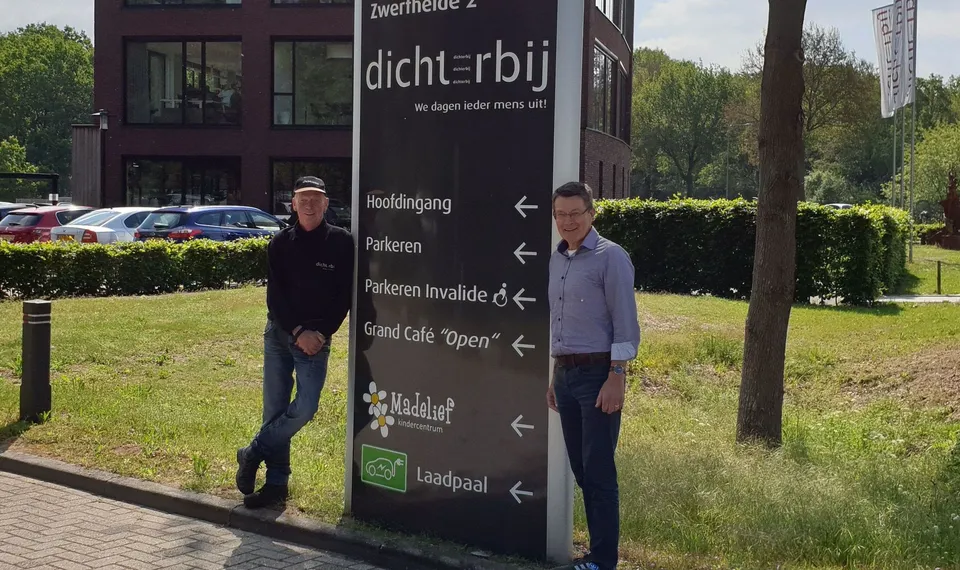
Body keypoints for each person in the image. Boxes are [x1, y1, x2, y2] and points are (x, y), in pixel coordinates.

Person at [236, 175, 355, 509]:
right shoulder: (280, 243)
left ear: (326, 204)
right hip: (279, 335)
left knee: (305, 407)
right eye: (303, 198)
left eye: (316, 198)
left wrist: (322, 333)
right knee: (274, 409)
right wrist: (298, 331)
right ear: (293, 204)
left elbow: (344, 296)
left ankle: (252, 451)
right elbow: (275, 297)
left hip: (317, 340)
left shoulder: (342, 242)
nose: (309, 204)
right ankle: (276, 483)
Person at [547, 181, 641, 570]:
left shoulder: (610, 257)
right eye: (560, 214)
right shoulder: (558, 259)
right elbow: (560, 324)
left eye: (575, 213)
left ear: (591, 213)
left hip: (599, 376)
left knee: (599, 471)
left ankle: (603, 561)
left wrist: (617, 376)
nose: (568, 221)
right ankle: (596, 553)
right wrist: (555, 376)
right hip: (566, 376)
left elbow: (625, 321)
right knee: (583, 469)